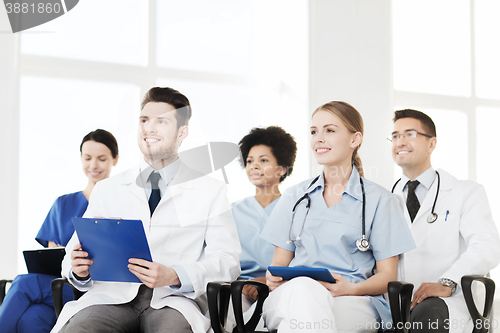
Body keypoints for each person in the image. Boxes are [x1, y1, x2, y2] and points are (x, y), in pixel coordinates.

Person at [51, 87, 241, 333]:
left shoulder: (211, 191)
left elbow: (228, 261)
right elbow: (72, 255)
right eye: (144, 120)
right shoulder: (108, 189)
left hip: (171, 301)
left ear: (182, 132)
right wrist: (78, 269)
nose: (149, 128)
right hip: (111, 297)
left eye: (161, 121)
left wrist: (175, 275)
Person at [260, 101, 415, 333]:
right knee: (304, 291)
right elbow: (278, 265)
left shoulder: (381, 201)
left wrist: (351, 288)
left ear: (355, 139)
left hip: (353, 299)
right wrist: (273, 278)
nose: (318, 138)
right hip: (291, 294)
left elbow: (387, 276)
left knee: (298, 324)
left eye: (329, 130)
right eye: (314, 132)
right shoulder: (294, 196)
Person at [389, 109, 500, 333]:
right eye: (395, 136)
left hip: (449, 303)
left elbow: (487, 245)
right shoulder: (385, 199)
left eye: (409, 134)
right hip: (397, 303)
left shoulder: (466, 192)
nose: (400, 141)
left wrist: (448, 282)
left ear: (432, 144)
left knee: (428, 314)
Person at [0, 129, 119, 333]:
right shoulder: (63, 203)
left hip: (95, 290)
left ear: (115, 159)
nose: (93, 165)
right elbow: (50, 253)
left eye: (101, 159)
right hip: (58, 286)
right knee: (32, 318)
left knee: (23, 283)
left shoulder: (120, 205)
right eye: (87, 158)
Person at [227, 126, 297, 331]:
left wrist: (267, 281)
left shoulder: (296, 210)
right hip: (240, 290)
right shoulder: (231, 211)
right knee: (224, 318)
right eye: (250, 161)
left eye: (263, 160)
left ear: (282, 169)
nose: (254, 166)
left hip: (280, 287)